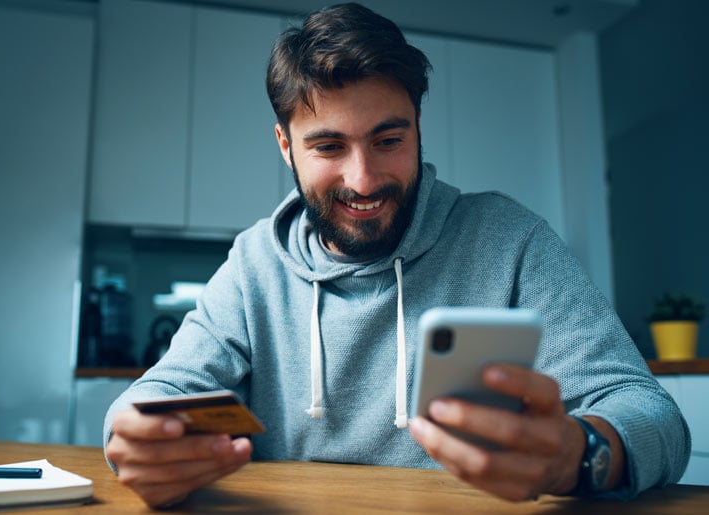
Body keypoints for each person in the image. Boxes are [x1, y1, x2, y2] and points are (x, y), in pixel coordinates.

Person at [104, 2, 690, 508]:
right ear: (285, 146)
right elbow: (158, 397)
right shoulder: (254, 261)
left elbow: (653, 414)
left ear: (417, 127)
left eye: (389, 140)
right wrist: (130, 437)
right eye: (329, 146)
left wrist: (579, 455)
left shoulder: (507, 238)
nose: (363, 180)